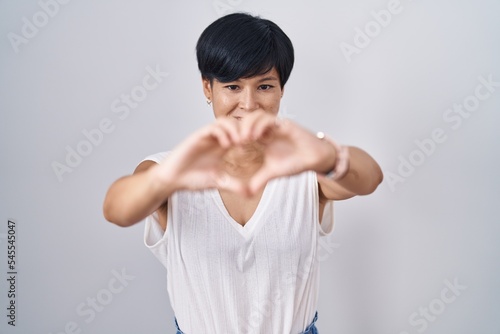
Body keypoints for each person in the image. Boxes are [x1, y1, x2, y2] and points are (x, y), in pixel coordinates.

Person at [103, 12, 383, 334]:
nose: (249, 104)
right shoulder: (169, 170)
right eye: (232, 86)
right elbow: (116, 209)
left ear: (281, 90)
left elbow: (370, 177)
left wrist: (329, 157)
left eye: (264, 86)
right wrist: (167, 178)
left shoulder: (308, 169)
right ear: (207, 88)